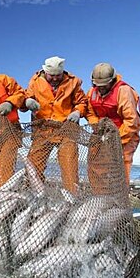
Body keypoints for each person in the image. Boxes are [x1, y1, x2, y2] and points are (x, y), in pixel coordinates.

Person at [23, 56, 88, 193]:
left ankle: (72, 197)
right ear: (45, 71)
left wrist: (77, 112)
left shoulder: (73, 82)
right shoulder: (35, 82)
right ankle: (32, 195)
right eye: (51, 75)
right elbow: (26, 98)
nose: (54, 78)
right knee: (34, 166)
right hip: (42, 129)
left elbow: (82, 102)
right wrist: (28, 101)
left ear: (62, 72)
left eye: (57, 75)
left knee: (70, 165)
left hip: (66, 130)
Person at [85, 62, 140, 185]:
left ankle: (119, 199)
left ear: (112, 80)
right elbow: (89, 112)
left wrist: (114, 139)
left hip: (125, 135)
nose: (101, 88)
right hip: (101, 134)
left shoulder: (124, 91)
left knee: (120, 170)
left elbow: (132, 122)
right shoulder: (91, 92)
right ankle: (99, 196)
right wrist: (96, 127)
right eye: (97, 85)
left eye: (104, 85)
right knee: (95, 165)